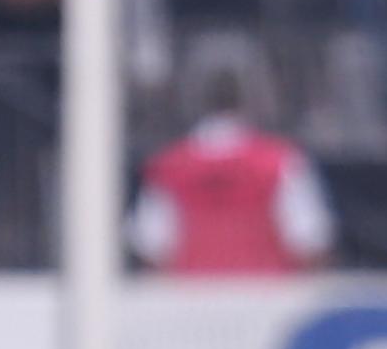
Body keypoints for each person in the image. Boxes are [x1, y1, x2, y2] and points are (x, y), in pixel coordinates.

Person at [128, 69, 335, 275]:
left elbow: (152, 250)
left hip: (189, 301)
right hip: (269, 300)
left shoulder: (168, 167)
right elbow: (310, 244)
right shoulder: (282, 162)